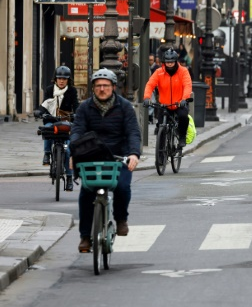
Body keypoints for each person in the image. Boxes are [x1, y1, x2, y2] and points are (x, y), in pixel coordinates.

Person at [70, 69, 141, 252]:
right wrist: (74, 152)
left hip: (119, 155)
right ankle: (85, 236)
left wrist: (133, 154)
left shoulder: (124, 106)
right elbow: (77, 130)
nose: (102, 89)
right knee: (86, 193)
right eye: (98, 86)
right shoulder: (85, 107)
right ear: (93, 88)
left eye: (106, 85)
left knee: (122, 187)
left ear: (113, 87)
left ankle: (121, 219)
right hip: (92, 155)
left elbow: (133, 132)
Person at [34, 66, 80, 191]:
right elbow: (44, 104)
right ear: (55, 79)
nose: (61, 81)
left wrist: (77, 114)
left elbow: (76, 105)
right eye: (59, 78)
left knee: (69, 151)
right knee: (47, 129)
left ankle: (69, 178)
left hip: (66, 122)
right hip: (51, 120)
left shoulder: (72, 91)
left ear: (68, 80)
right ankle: (47, 153)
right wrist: (39, 112)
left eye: (64, 79)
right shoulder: (49, 90)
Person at [142, 49, 192, 148]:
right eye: (167, 62)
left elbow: (187, 85)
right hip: (164, 104)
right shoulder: (159, 72)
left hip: (179, 103)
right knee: (160, 126)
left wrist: (184, 99)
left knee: (183, 117)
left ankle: (182, 136)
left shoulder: (183, 71)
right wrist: (147, 98)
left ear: (176, 61)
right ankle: (160, 156)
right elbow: (150, 84)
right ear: (164, 62)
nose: (169, 64)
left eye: (171, 62)